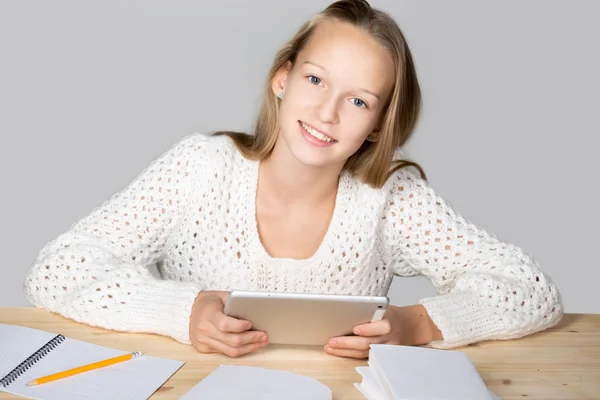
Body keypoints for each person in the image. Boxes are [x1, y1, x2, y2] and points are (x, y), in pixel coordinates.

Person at [23, 0, 562, 359]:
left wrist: (419, 325)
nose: (326, 113)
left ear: (378, 127)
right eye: (314, 79)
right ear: (282, 78)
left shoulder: (391, 199)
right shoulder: (199, 168)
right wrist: (179, 311)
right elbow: (58, 269)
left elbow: (531, 293)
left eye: (357, 101)